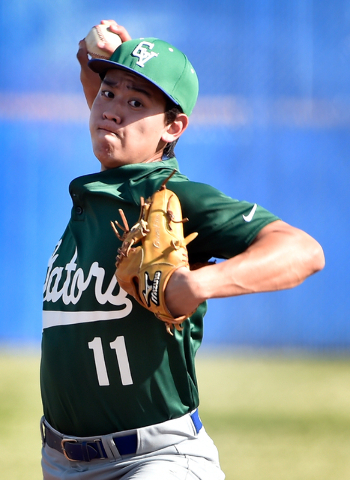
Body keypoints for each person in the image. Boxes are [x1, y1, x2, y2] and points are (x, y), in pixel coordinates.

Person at [40, 20, 325, 480]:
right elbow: (108, 95)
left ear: (174, 127)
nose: (112, 110)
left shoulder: (173, 197)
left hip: (156, 461)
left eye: (137, 103)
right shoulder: (100, 192)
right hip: (60, 464)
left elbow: (304, 250)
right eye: (108, 94)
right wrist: (88, 52)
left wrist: (197, 284)